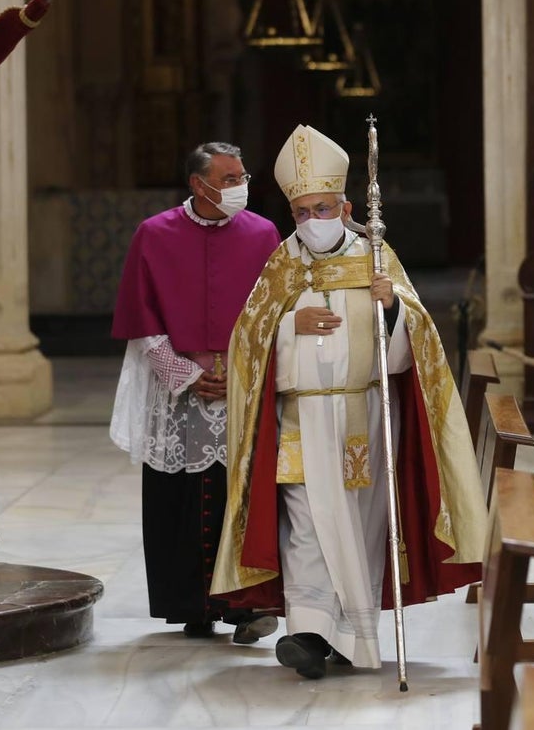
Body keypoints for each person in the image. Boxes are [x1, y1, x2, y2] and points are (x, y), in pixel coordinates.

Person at [210, 125, 487, 680]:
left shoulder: (377, 257)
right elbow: (247, 342)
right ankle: (308, 635)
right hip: (301, 419)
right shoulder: (282, 265)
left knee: (358, 530)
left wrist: (392, 312)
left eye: (324, 208)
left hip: (367, 417)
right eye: (303, 211)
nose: (313, 220)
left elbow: (418, 350)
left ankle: (349, 637)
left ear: (347, 205)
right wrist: (289, 325)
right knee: (307, 525)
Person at [110, 142, 282, 642]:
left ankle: (246, 606)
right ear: (197, 184)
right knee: (180, 496)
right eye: (228, 178)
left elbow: (274, 312)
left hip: (242, 386)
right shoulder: (153, 234)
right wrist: (184, 373)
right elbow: (141, 317)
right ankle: (191, 604)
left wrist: (242, 371)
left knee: (242, 494)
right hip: (178, 386)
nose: (239, 187)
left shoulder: (263, 232)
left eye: (242, 176)